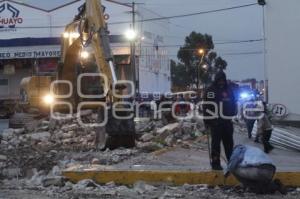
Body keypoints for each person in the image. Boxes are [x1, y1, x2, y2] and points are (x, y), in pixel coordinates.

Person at [203, 70, 237, 170]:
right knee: (215, 145)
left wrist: (233, 113)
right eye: (219, 80)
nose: (221, 82)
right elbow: (206, 107)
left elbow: (233, 103)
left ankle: (231, 163)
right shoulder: (210, 90)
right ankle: (215, 163)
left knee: (229, 144)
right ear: (216, 80)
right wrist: (207, 121)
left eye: (223, 80)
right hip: (215, 123)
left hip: (227, 122)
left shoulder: (228, 90)